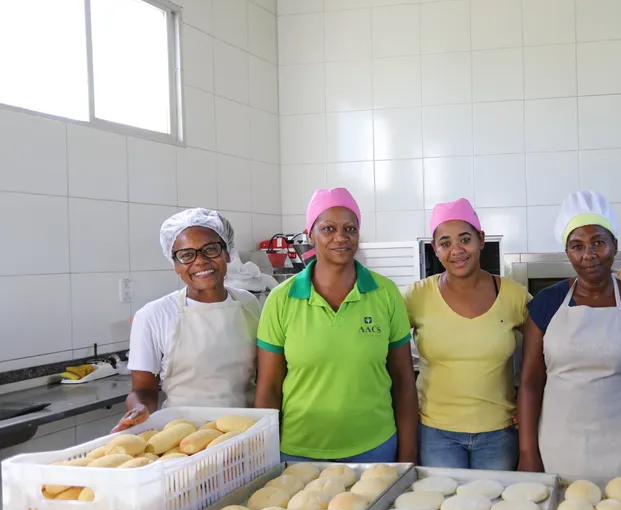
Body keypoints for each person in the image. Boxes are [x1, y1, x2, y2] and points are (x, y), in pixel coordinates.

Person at [254, 188, 418, 463]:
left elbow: (403, 380)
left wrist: (408, 454)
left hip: (375, 447)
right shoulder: (281, 299)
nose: (341, 237)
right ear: (310, 235)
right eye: (328, 228)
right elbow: (269, 386)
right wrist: (263, 454)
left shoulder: (385, 293)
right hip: (299, 452)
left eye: (350, 228)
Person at [517, 190, 621, 478]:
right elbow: (530, 382)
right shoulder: (546, 304)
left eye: (598, 242)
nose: (589, 255)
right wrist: (527, 453)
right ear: (567, 252)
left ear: (614, 244)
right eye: (577, 245)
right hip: (557, 446)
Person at [404, 199, 531, 470]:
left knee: (498, 508)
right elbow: (383, 344)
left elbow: (547, 347)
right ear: (435, 249)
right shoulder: (416, 296)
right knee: (443, 509)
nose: (456, 250)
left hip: (499, 431)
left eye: (465, 239)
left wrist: (528, 401)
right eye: (445, 243)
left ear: (481, 239)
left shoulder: (513, 295)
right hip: (435, 432)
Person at [113, 209, 261, 431]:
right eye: (186, 255)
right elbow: (143, 390)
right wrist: (139, 409)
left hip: (247, 430)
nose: (200, 261)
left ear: (227, 254)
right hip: (184, 435)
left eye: (210, 250)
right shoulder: (154, 315)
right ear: (175, 264)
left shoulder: (249, 304)